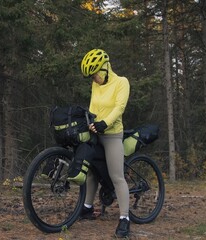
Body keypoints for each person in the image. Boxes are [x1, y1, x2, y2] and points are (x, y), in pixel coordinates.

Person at [79, 48, 131, 238]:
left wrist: (104, 123)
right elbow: (93, 107)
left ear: (106, 67)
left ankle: (125, 219)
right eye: (91, 76)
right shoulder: (96, 85)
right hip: (96, 133)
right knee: (91, 173)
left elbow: (119, 108)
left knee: (117, 176)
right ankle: (86, 208)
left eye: (96, 73)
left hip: (112, 135)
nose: (94, 78)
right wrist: (90, 123)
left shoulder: (121, 82)